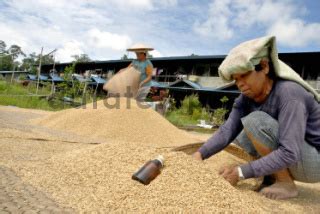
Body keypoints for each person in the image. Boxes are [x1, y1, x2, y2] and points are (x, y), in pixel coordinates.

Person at [193, 36, 320, 200]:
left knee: (254, 122)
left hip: (314, 160)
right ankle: (269, 177)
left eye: (244, 75)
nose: (240, 84)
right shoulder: (245, 99)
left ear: (265, 67)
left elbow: (290, 152)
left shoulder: (289, 94)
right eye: (236, 79)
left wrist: (241, 172)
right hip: (297, 155)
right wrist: (199, 154)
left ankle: (286, 184)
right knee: (242, 135)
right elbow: (227, 131)